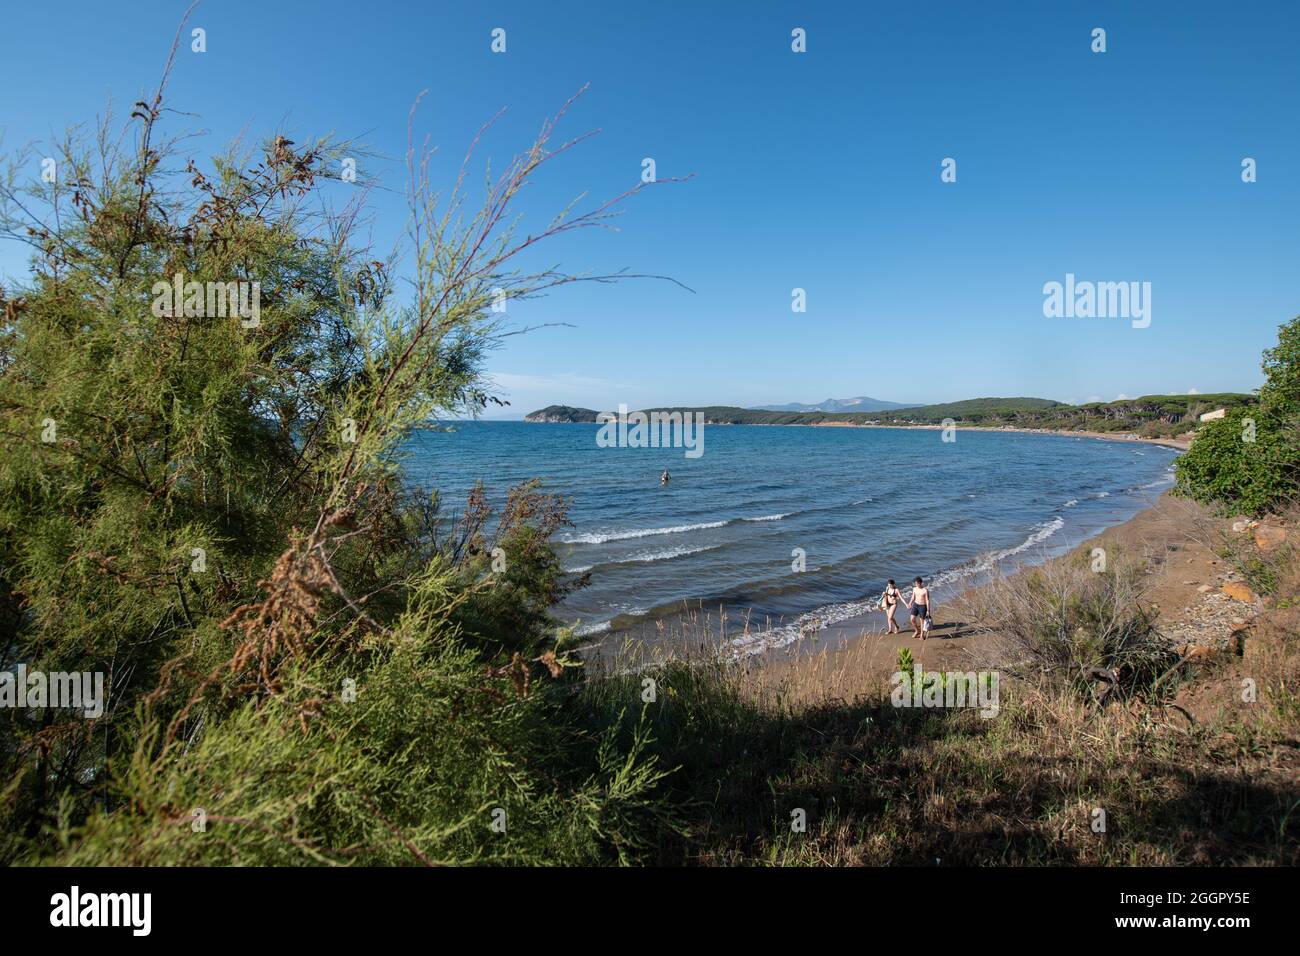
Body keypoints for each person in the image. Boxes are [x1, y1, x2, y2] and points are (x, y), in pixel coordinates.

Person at [907, 576, 932, 641]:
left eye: (916, 583)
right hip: (915, 605)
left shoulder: (925, 590)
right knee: (912, 619)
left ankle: (921, 635)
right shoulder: (914, 589)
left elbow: (927, 600)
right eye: (915, 583)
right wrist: (910, 603)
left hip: (923, 606)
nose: (915, 584)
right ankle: (917, 630)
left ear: (920, 583)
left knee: (922, 622)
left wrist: (928, 610)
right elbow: (913, 597)